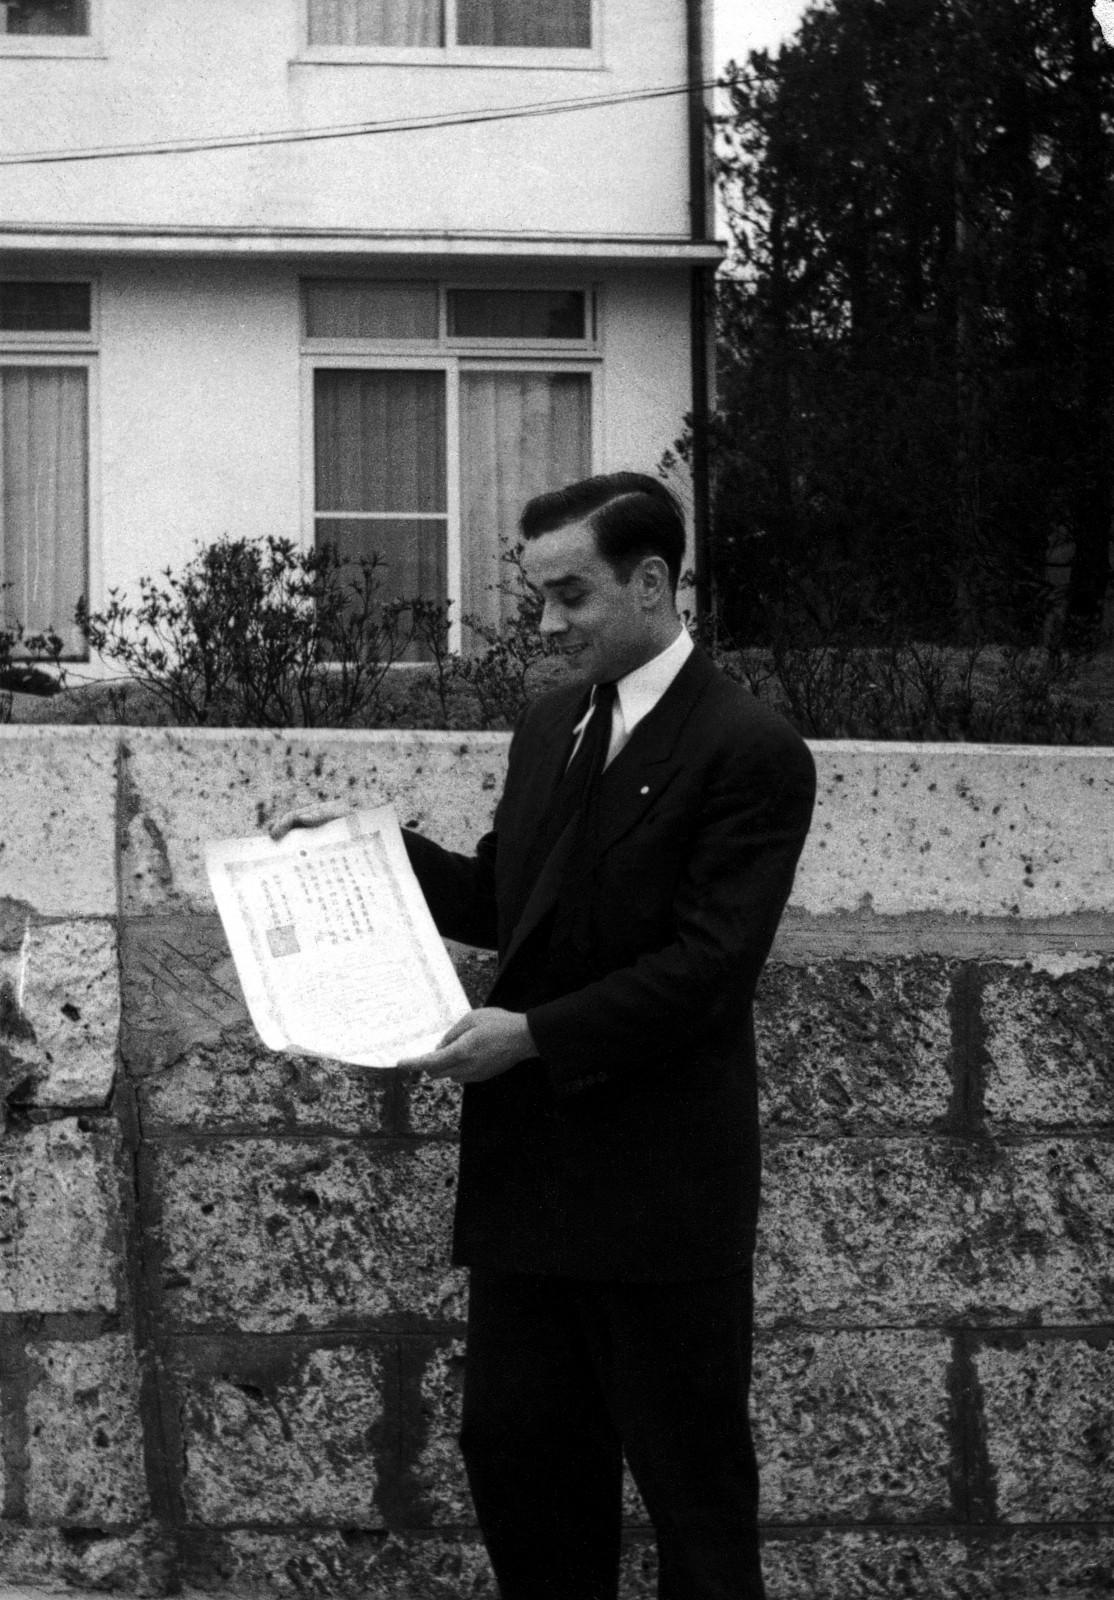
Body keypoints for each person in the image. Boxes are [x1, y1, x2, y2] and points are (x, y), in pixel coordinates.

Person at [273, 471, 816, 1600]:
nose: (547, 623)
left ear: (653, 581)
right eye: (537, 598)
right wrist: (368, 850)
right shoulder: (549, 724)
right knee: (520, 1463)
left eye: (570, 595)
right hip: (530, 1185)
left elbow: (710, 968)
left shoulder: (749, 747)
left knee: (693, 1496)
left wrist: (532, 1037)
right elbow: (508, 898)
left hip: (661, 1196)